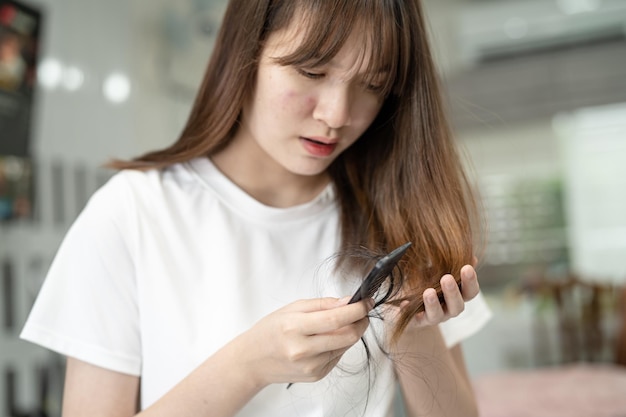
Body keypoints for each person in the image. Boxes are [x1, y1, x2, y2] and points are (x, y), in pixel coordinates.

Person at [21, 0, 492, 416]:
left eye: (371, 85)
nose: (336, 114)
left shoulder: (400, 211)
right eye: (311, 72)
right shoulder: (131, 213)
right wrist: (248, 364)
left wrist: (410, 325)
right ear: (244, 54)